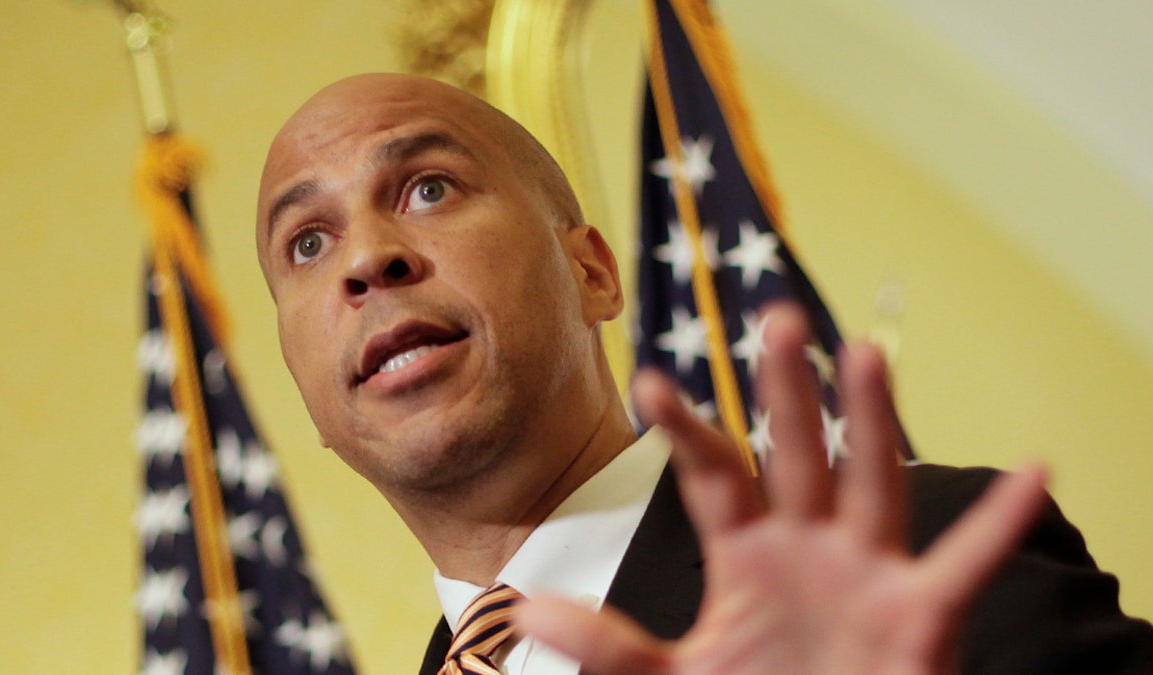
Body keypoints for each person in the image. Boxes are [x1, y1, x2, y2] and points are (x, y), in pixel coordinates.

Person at [255, 72, 1153, 674]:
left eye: (428, 187)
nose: (366, 259)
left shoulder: (923, 556)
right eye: (307, 242)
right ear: (308, 391)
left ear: (592, 273)